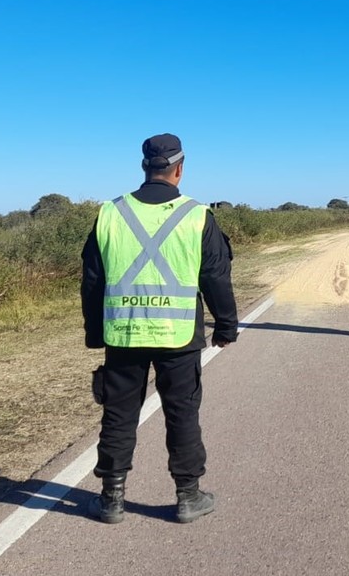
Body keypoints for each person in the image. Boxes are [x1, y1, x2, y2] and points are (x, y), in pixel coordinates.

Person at [80, 133, 238, 524]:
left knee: (118, 414)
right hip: (178, 335)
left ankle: (111, 497)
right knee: (182, 413)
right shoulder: (197, 215)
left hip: (123, 333)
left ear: (144, 167)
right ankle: (188, 496)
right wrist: (226, 326)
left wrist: (95, 333)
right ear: (180, 169)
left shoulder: (110, 213)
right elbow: (216, 277)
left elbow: (92, 280)